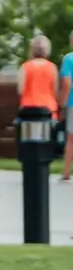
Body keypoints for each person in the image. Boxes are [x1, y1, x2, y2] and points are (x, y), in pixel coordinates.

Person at [59, 31, 73, 182]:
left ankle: (67, 172)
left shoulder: (69, 59)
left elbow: (67, 82)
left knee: (71, 139)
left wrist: (62, 102)